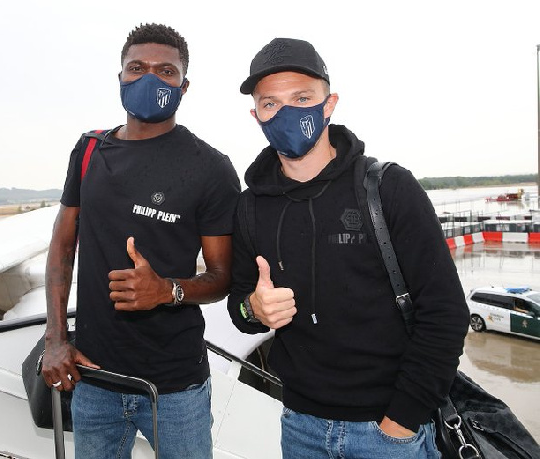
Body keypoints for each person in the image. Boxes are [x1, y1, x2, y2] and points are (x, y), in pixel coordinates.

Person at [227, 37, 470, 459]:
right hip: (300, 426)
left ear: (329, 103)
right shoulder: (249, 208)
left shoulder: (388, 187)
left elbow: (446, 313)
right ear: (256, 115)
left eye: (302, 97)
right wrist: (255, 308)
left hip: (391, 431)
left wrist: (400, 421)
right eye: (271, 104)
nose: (286, 112)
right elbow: (240, 309)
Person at [42, 23, 240, 459]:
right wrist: (55, 338)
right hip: (94, 378)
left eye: (165, 71)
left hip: (175, 387)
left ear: (184, 86)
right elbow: (62, 248)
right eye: (137, 68)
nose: (149, 78)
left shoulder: (210, 167)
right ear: (120, 78)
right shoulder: (89, 149)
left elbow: (223, 276)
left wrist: (166, 291)